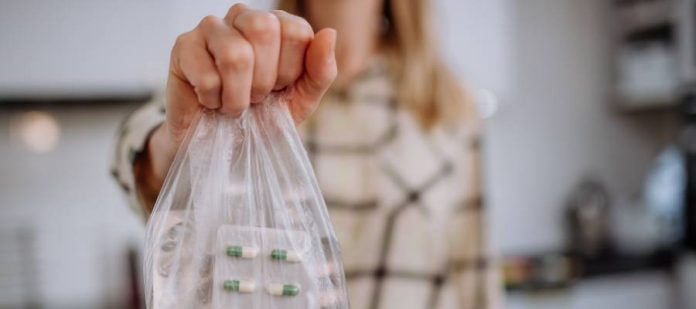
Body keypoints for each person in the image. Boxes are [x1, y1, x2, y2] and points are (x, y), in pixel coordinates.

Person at [112, 0, 501, 308]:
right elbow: (139, 154)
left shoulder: (447, 106)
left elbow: (475, 277)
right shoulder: (251, 77)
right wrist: (179, 140)